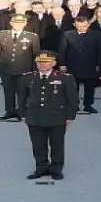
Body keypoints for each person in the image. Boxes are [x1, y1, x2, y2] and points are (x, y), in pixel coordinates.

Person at [16, 51, 78, 180]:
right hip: (34, 116)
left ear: (53, 63)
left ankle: (56, 169)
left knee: (57, 145)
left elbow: (72, 99)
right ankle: (41, 168)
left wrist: (70, 116)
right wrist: (22, 114)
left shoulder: (65, 78)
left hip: (57, 116)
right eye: (39, 62)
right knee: (38, 145)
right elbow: (22, 98)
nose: (42, 65)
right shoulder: (27, 78)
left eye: (46, 62)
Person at [0, 14, 42, 121]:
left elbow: (36, 54)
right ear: (11, 23)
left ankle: (22, 112)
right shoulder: (1, 35)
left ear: (25, 24)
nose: (18, 25)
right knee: (8, 91)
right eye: (15, 23)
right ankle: (10, 111)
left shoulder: (32, 37)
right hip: (6, 68)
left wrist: (35, 70)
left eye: (21, 23)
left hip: (24, 69)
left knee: (22, 91)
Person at [57, 16, 101, 114]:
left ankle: (88, 105)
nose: (82, 28)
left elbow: (100, 51)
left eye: (84, 26)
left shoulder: (96, 35)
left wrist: (99, 64)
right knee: (73, 87)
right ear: (75, 25)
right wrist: (62, 64)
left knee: (89, 87)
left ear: (88, 25)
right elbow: (62, 50)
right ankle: (74, 106)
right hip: (73, 64)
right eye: (79, 26)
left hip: (90, 64)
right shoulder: (67, 34)